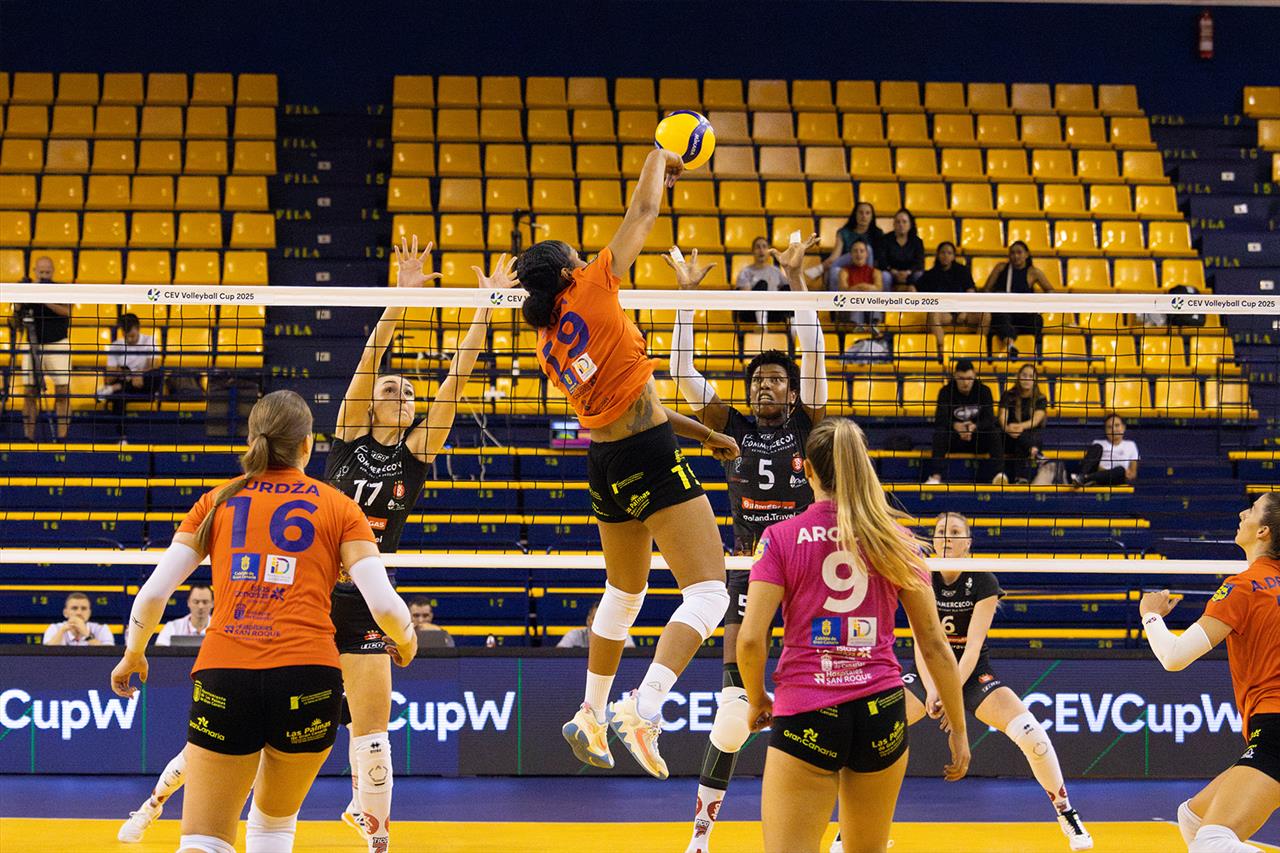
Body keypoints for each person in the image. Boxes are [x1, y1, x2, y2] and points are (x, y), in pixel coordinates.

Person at [110, 390, 416, 853]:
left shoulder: (217, 500)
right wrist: (406, 641)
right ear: (308, 445)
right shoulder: (339, 506)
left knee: (203, 841)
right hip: (310, 676)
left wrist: (134, 652)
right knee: (272, 829)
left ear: (253, 439)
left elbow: (153, 594)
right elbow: (387, 607)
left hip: (227, 670)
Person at [516, 146, 738, 780]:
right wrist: (659, 156)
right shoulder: (591, 287)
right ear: (568, 272)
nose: (586, 258)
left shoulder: (546, 342)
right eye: (576, 257)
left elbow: (632, 405)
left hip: (606, 461)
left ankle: (589, 712)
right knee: (709, 594)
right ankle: (643, 707)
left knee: (624, 591)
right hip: (646, 454)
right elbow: (642, 211)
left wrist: (702, 434)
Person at [323, 237, 511, 848]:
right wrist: (400, 298)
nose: (402, 397)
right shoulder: (348, 435)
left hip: (367, 598)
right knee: (298, 723)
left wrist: (485, 308)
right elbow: (370, 357)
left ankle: (374, 829)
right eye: (392, 391)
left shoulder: (417, 452)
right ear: (372, 404)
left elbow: (457, 378)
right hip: (312, 593)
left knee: (373, 732)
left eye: (408, 394)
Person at [736, 418, 969, 853]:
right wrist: (958, 728)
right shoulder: (897, 540)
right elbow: (936, 646)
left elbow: (750, 639)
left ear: (806, 470)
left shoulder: (779, 538)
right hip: (880, 710)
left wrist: (756, 699)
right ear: (862, 465)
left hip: (807, 708)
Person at [667, 235, 827, 852]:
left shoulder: (808, 423)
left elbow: (813, 351)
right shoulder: (729, 423)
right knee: (734, 711)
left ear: (791, 391)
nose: (766, 386)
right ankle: (701, 832)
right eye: (758, 379)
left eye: (776, 380)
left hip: (808, 566)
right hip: (749, 565)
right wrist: (686, 299)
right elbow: (682, 374)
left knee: (827, 696)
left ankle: (842, 822)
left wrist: (796, 282)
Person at [901, 513, 1092, 850]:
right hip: (927, 671)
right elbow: (921, 641)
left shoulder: (983, 579)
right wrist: (933, 688)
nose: (947, 537)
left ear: (967, 543)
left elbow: (973, 646)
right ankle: (853, 827)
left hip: (972, 673)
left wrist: (949, 692)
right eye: (941, 531)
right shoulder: (921, 575)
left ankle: (1066, 812)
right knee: (877, 731)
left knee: (1032, 735)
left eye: (955, 532)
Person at [1138, 493, 1280, 853]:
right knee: (1192, 817)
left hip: (1275, 726)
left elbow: (1174, 657)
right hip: (1270, 726)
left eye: (1252, 509)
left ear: (1263, 530)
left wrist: (1150, 615)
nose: (1242, 512)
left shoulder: (1243, 587)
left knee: (1213, 841)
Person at [14, 256, 71, 441]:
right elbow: (15, 320)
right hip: (32, 344)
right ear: (34, 271)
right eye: (41, 272)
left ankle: (62, 438)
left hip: (58, 344)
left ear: (52, 271)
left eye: (47, 272)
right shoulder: (26, 290)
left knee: (62, 391)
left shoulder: (60, 289)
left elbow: (67, 312)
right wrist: (20, 298)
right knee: (29, 392)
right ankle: (28, 437)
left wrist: (45, 300)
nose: (44, 275)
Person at [926, 359, 1007, 486]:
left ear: (974, 375)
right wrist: (956, 426)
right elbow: (940, 419)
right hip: (954, 439)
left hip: (977, 438)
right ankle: (935, 477)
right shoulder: (945, 391)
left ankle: (999, 475)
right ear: (955, 376)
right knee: (940, 433)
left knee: (993, 432)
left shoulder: (984, 391)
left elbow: (989, 419)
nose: (966, 383)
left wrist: (974, 427)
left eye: (969, 378)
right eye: (961, 378)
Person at [979, 241, 1056, 359]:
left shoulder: (1033, 272)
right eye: (1012, 253)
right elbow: (986, 290)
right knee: (1000, 317)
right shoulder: (1001, 268)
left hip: (1023, 314)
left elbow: (1050, 291)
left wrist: (1039, 306)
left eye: (1019, 252)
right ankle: (1010, 345)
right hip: (1004, 311)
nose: (1015, 256)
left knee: (1037, 320)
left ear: (1027, 254)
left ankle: (1027, 347)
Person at [99, 312, 160, 440]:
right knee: (119, 396)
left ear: (138, 329)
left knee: (157, 374)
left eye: (132, 336)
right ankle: (122, 437)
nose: (130, 340)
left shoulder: (149, 341)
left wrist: (139, 374)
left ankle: (116, 387)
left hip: (145, 386)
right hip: (127, 389)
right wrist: (123, 372)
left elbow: (154, 365)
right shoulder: (115, 346)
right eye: (126, 337)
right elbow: (109, 378)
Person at [917, 242, 980, 364]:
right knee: (933, 315)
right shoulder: (931, 274)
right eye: (943, 252)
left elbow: (971, 292)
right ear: (937, 255)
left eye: (949, 253)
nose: (945, 255)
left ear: (953, 256)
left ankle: (978, 347)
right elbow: (915, 288)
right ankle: (942, 352)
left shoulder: (962, 271)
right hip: (945, 314)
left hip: (964, 312)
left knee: (985, 316)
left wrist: (964, 311)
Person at [998, 364, 1048, 483]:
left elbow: (1035, 421)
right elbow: (1002, 417)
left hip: (1029, 436)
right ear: (1018, 377)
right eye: (1024, 375)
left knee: (1024, 436)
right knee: (1020, 437)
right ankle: (1035, 452)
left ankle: (1021, 479)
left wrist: (1019, 427)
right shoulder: (1008, 395)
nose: (1027, 379)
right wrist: (1007, 428)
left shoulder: (1040, 398)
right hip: (1009, 437)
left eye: (1030, 376)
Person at [822, 202, 883, 289]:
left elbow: (880, 257)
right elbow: (835, 257)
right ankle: (835, 297)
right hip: (847, 265)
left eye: (867, 213)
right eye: (861, 212)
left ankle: (819, 269)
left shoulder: (877, 233)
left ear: (872, 216)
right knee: (835, 270)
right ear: (855, 214)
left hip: (869, 266)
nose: (864, 216)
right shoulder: (844, 232)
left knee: (867, 249)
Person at [1071, 413, 1139, 487]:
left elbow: (1132, 474)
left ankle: (1084, 479)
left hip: (1115, 479)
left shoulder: (1131, 445)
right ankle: (1083, 477)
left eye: (1117, 425)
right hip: (1097, 478)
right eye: (1109, 427)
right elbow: (1092, 465)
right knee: (1097, 447)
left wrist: (1108, 473)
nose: (1113, 429)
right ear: (1105, 430)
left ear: (1123, 427)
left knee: (1120, 470)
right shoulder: (1097, 443)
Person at [734, 236, 791, 326]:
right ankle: (761, 324)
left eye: (764, 247)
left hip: (772, 312)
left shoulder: (776, 271)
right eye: (758, 247)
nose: (761, 250)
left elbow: (788, 289)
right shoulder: (746, 272)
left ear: (769, 251)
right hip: (751, 313)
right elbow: (745, 297)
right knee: (762, 284)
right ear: (752, 251)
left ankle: (793, 325)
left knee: (788, 287)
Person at [836, 241, 882, 333]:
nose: (859, 254)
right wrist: (863, 289)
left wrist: (859, 288)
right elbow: (843, 290)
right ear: (851, 254)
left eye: (862, 251)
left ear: (867, 254)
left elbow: (879, 289)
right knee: (857, 295)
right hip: (849, 310)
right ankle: (857, 325)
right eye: (855, 251)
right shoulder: (844, 271)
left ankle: (873, 324)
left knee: (873, 294)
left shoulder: (875, 272)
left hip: (869, 308)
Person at [877, 208, 925, 292]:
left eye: (904, 222)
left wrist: (908, 272)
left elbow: (919, 262)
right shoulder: (885, 239)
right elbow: (882, 261)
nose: (901, 225)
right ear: (894, 224)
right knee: (885, 276)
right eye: (898, 222)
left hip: (910, 273)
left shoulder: (917, 241)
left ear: (910, 224)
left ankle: (917, 300)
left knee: (919, 275)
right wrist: (893, 271)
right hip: (891, 272)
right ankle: (886, 299)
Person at [556, 599, 637, 649]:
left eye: (603, 620)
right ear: (588, 621)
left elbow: (631, 656)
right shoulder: (575, 634)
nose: (599, 624)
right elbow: (559, 653)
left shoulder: (620, 635)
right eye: (596, 619)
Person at [42, 592, 114, 646]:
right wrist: (62, 631)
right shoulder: (55, 628)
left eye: (84, 608)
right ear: (65, 613)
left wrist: (87, 634)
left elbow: (109, 654)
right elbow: (45, 655)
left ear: (89, 613)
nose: (79, 612)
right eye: (74, 608)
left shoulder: (101, 629)